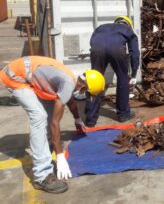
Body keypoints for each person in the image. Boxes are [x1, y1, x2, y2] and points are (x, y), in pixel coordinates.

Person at [0, 56, 105, 194]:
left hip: (29, 75)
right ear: (83, 86)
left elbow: (70, 101)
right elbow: (55, 123)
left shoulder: (71, 80)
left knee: (51, 111)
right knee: (39, 116)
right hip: (14, 77)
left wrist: (78, 120)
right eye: (87, 93)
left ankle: (45, 145)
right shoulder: (67, 83)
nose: (85, 96)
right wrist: (60, 156)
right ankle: (41, 176)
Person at [85, 15, 140, 126]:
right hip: (117, 50)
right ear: (128, 24)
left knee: (94, 81)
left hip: (97, 49)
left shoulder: (101, 27)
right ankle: (123, 114)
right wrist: (134, 74)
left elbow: (92, 41)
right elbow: (135, 54)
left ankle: (90, 119)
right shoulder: (128, 30)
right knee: (123, 79)